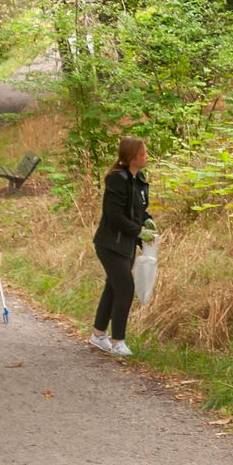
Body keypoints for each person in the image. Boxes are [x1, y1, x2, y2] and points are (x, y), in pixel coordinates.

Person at [90, 137, 153, 358]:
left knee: (113, 286)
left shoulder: (140, 180)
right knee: (125, 288)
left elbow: (139, 211)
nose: (146, 156)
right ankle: (118, 341)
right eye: (143, 153)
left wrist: (147, 221)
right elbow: (114, 215)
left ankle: (98, 334)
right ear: (131, 157)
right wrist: (137, 231)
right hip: (110, 244)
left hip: (127, 245)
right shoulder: (117, 180)